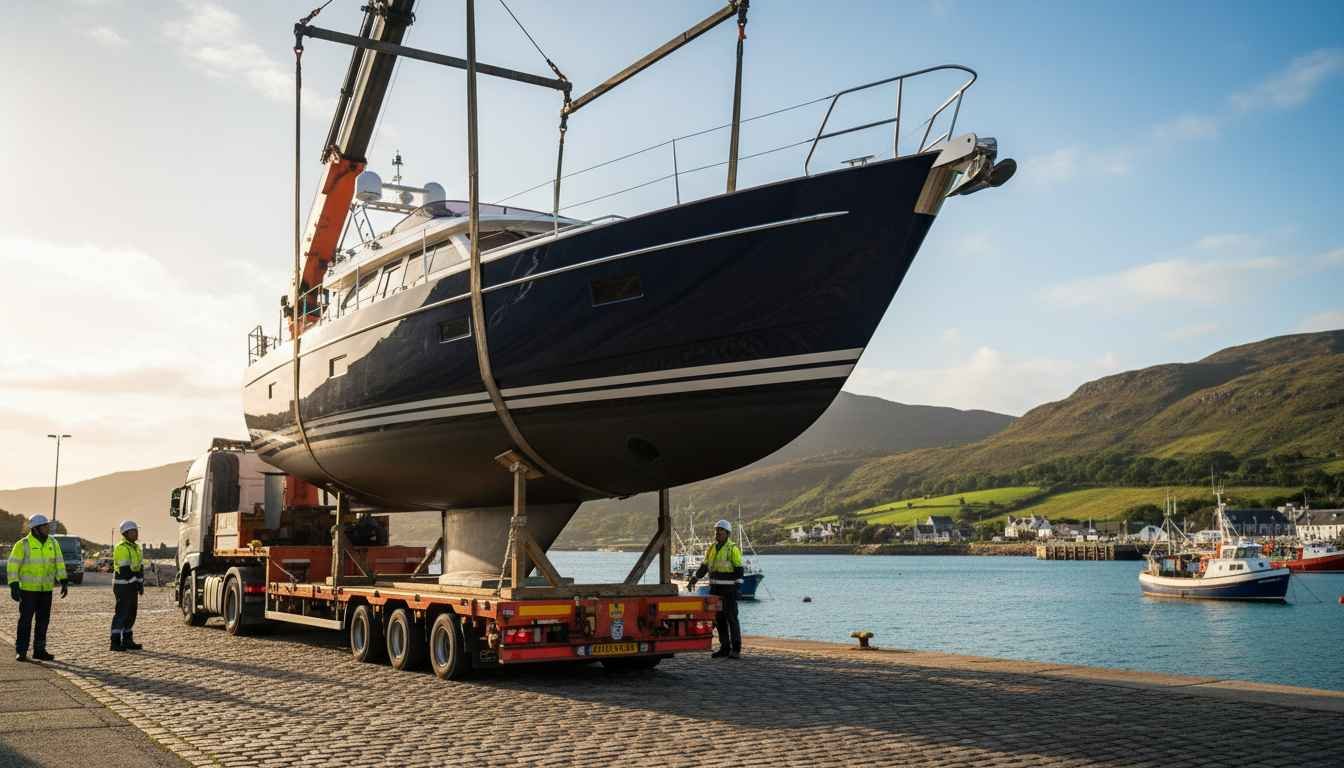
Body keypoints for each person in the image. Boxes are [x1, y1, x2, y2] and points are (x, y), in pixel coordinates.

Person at [7, 514, 69, 662]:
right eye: (44, 526)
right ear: (35, 528)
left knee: (43, 622)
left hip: (46, 590)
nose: (47, 528)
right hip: (28, 591)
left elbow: (59, 563)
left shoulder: (53, 543)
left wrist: (64, 580)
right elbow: (13, 565)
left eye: (47, 526)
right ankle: (21, 650)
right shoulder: (23, 544)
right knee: (25, 621)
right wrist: (14, 584)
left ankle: (39, 650)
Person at [686, 519, 743, 659]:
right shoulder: (711, 548)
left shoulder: (733, 548)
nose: (717, 533)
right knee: (718, 619)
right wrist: (694, 578)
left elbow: (739, 571)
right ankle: (724, 648)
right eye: (716, 530)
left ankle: (736, 649)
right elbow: (704, 566)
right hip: (715, 589)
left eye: (720, 530)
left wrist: (734, 586)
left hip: (729, 590)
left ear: (727, 533)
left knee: (731, 618)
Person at [111, 520, 144, 652]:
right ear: (125, 533)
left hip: (132, 585)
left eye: (136, 531)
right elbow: (125, 570)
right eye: (133, 531)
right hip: (122, 585)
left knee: (131, 613)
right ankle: (115, 642)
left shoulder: (136, 548)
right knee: (122, 613)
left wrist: (140, 584)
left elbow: (139, 567)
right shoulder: (121, 547)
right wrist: (136, 579)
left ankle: (127, 640)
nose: (136, 534)